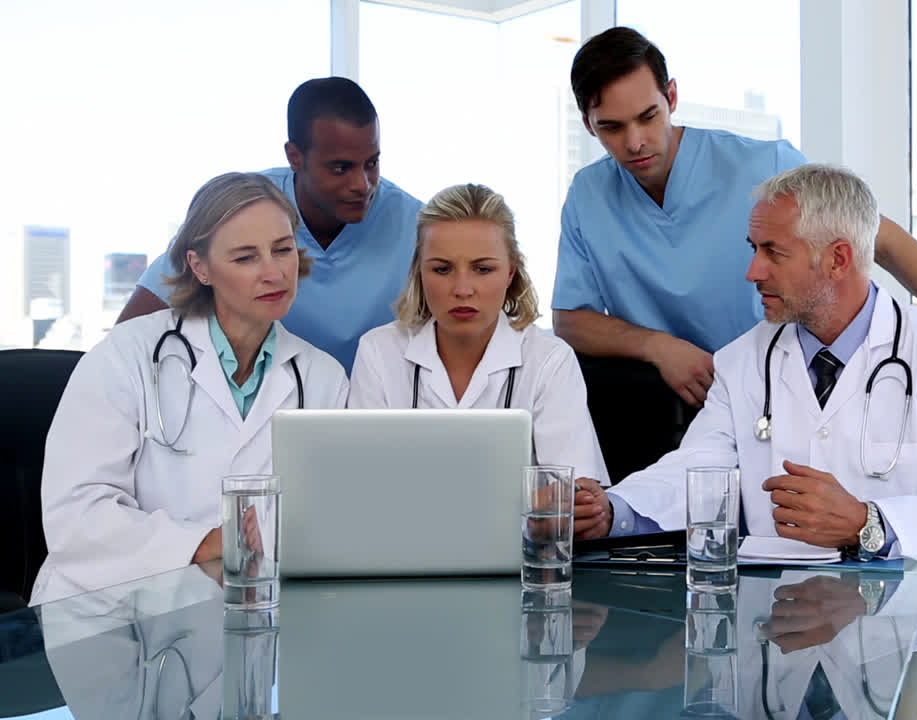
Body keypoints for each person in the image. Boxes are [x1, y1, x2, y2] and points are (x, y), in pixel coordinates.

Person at [575, 164, 917, 716]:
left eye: (772, 252)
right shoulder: (744, 362)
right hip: (780, 611)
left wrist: (870, 522)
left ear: (837, 258)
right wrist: (615, 511)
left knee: (916, 711)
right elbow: (698, 470)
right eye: (752, 247)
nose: (751, 271)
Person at [553, 27, 917, 413]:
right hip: (670, 410)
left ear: (672, 97)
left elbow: (883, 242)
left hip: (785, 398)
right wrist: (656, 346)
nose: (636, 142)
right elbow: (571, 319)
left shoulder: (761, 165)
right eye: (612, 128)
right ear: (587, 125)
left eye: (648, 116)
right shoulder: (588, 195)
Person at [31, 172, 350, 606]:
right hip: (107, 615)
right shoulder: (126, 356)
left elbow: (328, 521)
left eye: (283, 249)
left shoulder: (321, 378)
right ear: (199, 267)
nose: (274, 272)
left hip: (251, 616)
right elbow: (77, 516)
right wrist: (209, 542)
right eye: (245, 258)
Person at [348, 183, 610, 531]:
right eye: (442, 269)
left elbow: (575, 501)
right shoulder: (379, 352)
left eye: (483, 269)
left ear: (511, 272)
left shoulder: (549, 359)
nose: (462, 289)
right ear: (419, 273)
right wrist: (527, 513)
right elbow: (357, 497)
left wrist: (423, 507)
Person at [118, 77, 423, 373]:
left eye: (372, 163)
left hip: (374, 408)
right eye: (340, 168)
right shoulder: (242, 209)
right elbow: (124, 342)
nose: (362, 184)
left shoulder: (416, 225)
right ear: (295, 157)